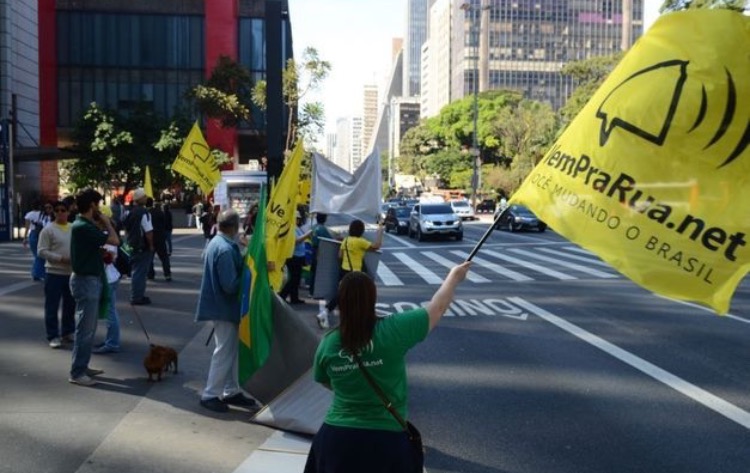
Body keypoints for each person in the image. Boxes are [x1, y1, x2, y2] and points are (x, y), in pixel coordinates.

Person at [304, 262, 471, 472]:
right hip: (386, 440)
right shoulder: (393, 330)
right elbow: (437, 307)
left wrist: (352, 383)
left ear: (341, 302)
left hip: (336, 439)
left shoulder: (328, 343)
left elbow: (322, 379)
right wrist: (454, 276)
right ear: (373, 298)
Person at [195, 209, 260, 413]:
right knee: (224, 351)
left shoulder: (218, 243)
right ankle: (210, 394)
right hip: (224, 307)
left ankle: (231, 390)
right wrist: (249, 272)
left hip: (223, 307)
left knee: (230, 351)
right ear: (234, 227)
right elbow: (230, 285)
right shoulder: (224, 248)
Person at [68, 188, 120, 386]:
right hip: (86, 281)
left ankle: (83, 365)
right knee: (85, 330)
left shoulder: (84, 225)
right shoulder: (83, 226)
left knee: (89, 328)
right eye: (98, 204)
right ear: (92, 205)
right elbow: (115, 240)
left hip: (90, 279)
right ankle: (77, 372)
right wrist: (106, 222)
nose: (99, 208)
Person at [317, 219, 384, 329]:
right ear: (361, 230)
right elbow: (377, 246)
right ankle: (365, 319)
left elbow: (340, 255)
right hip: (355, 274)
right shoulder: (360, 242)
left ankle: (326, 312)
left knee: (342, 294)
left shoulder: (346, 240)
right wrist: (380, 232)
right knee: (361, 295)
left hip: (344, 271)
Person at [37, 200, 75, 349]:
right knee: (52, 306)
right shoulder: (48, 230)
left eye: (63, 210)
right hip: (53, 273)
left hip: (71, 273)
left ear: (68, 212)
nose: (60, 213)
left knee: (70, 305)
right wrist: (60, 258)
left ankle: (68, 331)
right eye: (57, 210)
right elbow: (41, 251)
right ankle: (53, 335)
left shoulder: (73, 228)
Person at [124, 188, 154, 305]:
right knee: (140, 272)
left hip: (130, 244)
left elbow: (126, 228)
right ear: (140, 199)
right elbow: (148, 232)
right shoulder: (144, 213)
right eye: (144, 196)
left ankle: (138, 294)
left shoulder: (129, 212)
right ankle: (137, 297)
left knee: (136, 270)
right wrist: (151, 245)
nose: (146, 198)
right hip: (141, 246)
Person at [93, 242, 122, 354]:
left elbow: (109, 258)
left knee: (110, 312)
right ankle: (111, 340)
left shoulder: (107, 239)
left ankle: (112, 343)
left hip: (107, 279)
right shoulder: (109, 238)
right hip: (110, 277)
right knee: (110, 311)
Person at [279, 210, 313, 305]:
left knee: (296, 279)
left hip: (299, 256)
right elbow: (295, 241)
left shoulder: (297, 228)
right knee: (294, 278)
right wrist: (306, 235)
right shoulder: (290, 228)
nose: (297, 220)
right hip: (294, 256)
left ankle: (294, 298)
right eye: (296, 218)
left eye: (298, 219)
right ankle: (282, 295)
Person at [22, 200, 53, 281]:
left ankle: (37, 273)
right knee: (40, 255)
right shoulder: (43, 214)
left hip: (33, 234)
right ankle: (37, 273)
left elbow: (27, 227)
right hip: (42, 234)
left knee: (37, 255)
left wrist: (25, 238)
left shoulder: (29, 214)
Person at [309, 213, 336, 296]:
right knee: (318, 272)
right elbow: (330, 240)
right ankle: (316, 292)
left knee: (313, 271)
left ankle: (311, 290)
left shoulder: (313, 227)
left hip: (312, 249)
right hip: (320, 251)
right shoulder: (323, 229)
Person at [147, 198, 172, 282]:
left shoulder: (147, 213)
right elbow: (165, 224)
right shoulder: (160, 212)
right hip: (160, 237)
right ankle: (167, 274)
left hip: (150, 237)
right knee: (164, 257)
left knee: (150, 258)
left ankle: (150, 274)